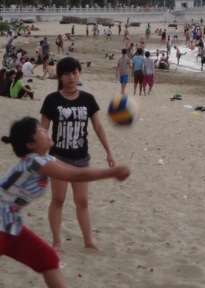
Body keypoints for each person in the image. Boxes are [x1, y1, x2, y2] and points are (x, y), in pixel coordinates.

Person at [1, 117, 130, 288]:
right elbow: (78, 176)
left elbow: (77, 171)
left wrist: (111, 172)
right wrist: (112, 172)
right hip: (3, 227)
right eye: (39, 130)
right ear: (31, 145)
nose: (45, 131)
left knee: (47, 259)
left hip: (11, 226)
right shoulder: (37, 161)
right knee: (47, 259)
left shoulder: (43, 160)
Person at [40, 56, 117, 252]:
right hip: (58, 158)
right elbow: (43, 131)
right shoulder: (52, 100)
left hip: (81, 158)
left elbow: (98, 126)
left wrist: (109, 151)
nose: (71, 77)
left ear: (79, 74)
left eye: (74, 73)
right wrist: (39, 156)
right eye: (66, 74)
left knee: (82, 202)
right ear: (61, 76)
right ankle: (57, 242)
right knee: (58, 200)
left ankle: (88, 241)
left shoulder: (88, 99)